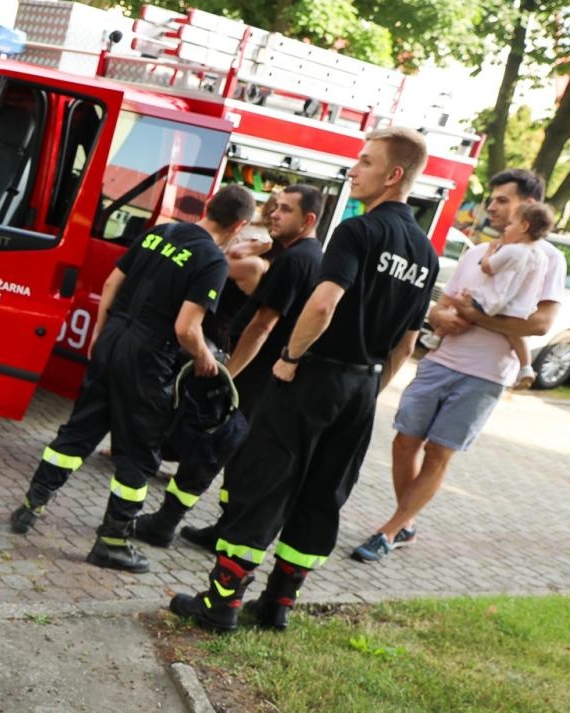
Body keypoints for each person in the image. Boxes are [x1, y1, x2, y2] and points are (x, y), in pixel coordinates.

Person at [169, 128, 438, 631]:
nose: (354, 170)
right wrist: (369, 390)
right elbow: (406, 344)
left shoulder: (358, 231)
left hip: (315, 376)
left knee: (266, 479)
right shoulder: (426, 254)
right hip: (362, 387)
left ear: (393, 175)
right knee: (322, 493)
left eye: (365, 161)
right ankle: (278, 606)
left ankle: (221, 603)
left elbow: (323, 302)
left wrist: (291, 357)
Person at [8, 185, 256, 571]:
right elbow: (186, 328)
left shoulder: (160, 232)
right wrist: (206, 359)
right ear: (239, 225)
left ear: (208, 206)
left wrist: (99, 335)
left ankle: (29, 507)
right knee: (139, 454)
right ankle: (112, 542)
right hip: (149, 358)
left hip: (112, 341)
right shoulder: (212, 260)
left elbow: (111, 284)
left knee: (78, 432)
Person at [350, 169, 567, 563]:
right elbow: (442, 303)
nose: (492, 207)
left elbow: (540, 324)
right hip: (440, 360)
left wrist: (476, 317)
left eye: (503, 200)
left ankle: (390, 529)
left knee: (438, 454)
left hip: (484, 375)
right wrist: (441, 316)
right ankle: (407, 522)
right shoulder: (475, 252)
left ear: (528, 207)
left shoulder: (548, 258)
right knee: (404, 441)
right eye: (493, 199)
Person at [133, 184, 327, 548]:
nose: (274, 213)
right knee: (234, 458)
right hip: (265, 381)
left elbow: (262, 326)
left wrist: (228, 378)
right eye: (275, 206)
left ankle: (164, 523)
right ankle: (223, 529)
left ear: (308, 219)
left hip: (251, 378)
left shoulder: (295, 261)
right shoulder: (308, 255)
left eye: (285, 210)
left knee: (207, 450)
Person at [420, 201, 553, 388]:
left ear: (524, 226)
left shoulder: (512, 250)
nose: (506, 229)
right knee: (516, 337)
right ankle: (526, 367)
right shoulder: (540, 257)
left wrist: (490, 252)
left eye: (510, 225)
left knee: (461, 302)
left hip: (492, 301)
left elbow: (488, 267)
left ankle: (436, 337)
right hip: (516, 308)